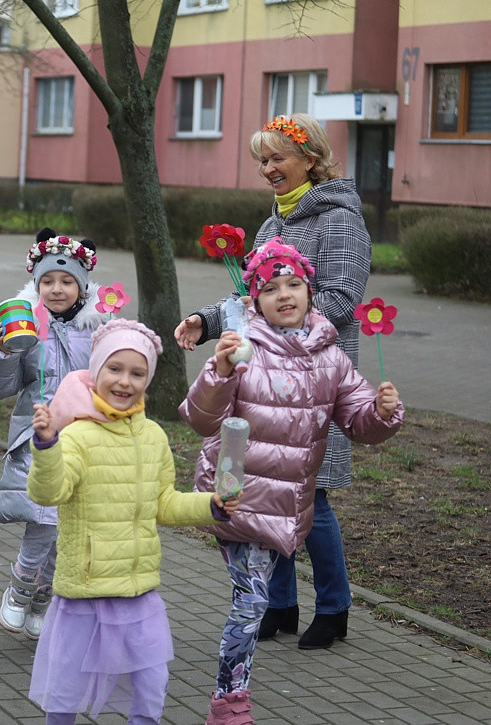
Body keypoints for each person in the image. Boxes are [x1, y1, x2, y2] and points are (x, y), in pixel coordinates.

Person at [180, 239, 403, 723]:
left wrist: (383, 413)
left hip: (288, 503)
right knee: (252, 599)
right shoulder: (243, 348)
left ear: (309, 290)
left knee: (253, 600)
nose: (285, 295)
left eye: (294, 284)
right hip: (235, 497)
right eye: (271, 288)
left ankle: (231, 695)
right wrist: (218, 370)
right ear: (254, 300)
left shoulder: (331, 356)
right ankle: (229, 701)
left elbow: (359, 421)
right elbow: (199, 419)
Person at [174, 113, 373, 650]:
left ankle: (335, 607)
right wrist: (206, 320)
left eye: (277, 158)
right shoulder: (272, 224)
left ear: (310, 159)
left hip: (313, 375)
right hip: (264, 379)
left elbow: (340, 298)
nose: (267, 169)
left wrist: (282, 335)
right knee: (264, 494)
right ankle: (279, 605)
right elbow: (250, 299)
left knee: (315, 497)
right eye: (262, 160)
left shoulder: (338, 220)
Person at [27, 319, 240, 725]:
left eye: (137, 373)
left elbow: (164, 503)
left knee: (151, 683)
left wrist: (210, 505)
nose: (125, 381)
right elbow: (48, 493)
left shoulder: (153, 437)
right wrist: (47, 446)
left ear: (149, 379)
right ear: (96, 371)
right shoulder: (74, 435)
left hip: (138, 591)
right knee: (66, 690)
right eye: (115, 369)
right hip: (85, 591)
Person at [0, 228, 109, 641]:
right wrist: (2, 351)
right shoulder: (25, 325)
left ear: (82, 285)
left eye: (67, 281)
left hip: (85, 442)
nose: (56, 289)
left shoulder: (100, 328)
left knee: (67, 527)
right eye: (47, 281)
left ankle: (44, 596)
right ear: (35, 284)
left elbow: (116, 379)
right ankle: (20, 588)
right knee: (44, 521)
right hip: (38, 438)